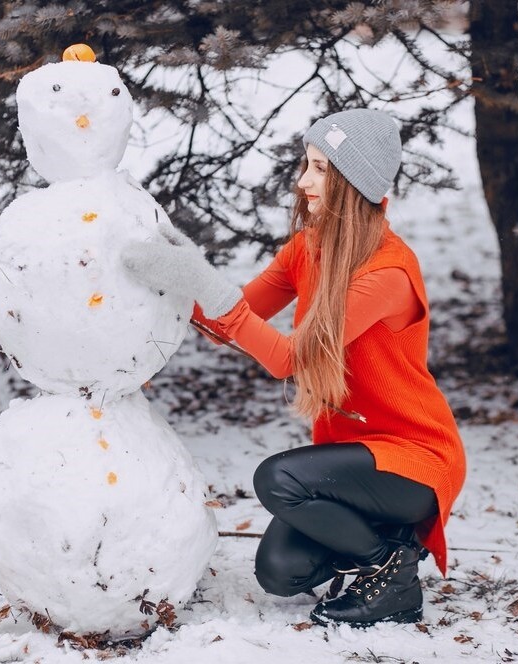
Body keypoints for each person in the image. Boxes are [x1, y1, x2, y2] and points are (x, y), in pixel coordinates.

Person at [121, 109, 466, 627]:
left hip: (414, 459)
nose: (304, 181)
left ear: (355, 182)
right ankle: (391, 544)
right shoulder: (307, 248)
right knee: (280, 571)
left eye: (322, 169)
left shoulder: (388, 273)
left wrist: (204, 284)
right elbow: (230, 319)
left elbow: (288, 359)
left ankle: (390, 570)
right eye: (307, 164)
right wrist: (178, 277)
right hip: (352, 461)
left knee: (277, 480)